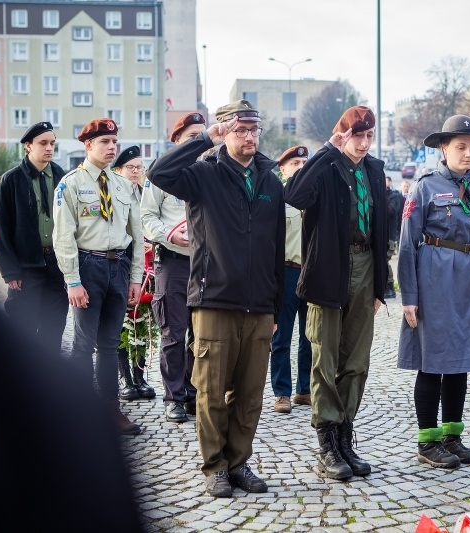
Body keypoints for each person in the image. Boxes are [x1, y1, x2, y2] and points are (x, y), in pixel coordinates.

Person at [0, 254, 145, 532]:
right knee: (67, 345)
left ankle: (109, 405)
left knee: (75, 345)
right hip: (48, 269)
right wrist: (15, 270)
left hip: (85, 268)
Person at [148, 99, 285, 498]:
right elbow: (160, 172)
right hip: (214, 300)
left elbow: (275, 247)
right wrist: (205, 138)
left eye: (253, 129)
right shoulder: (202, 174)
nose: (249, 137)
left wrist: (274, 305)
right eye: (240, 129)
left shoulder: (270, 181)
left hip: (259, 304)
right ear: (225, 131)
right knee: (210, 392)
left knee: (249, 395)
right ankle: (215, 466)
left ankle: (240, 463)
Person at [284, 105, 388, 481]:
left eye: (369, 136)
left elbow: (381, 228)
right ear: (341, 134)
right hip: (329, 269)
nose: (363, 143)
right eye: (356, 135)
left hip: (365, 266)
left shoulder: (374, 170)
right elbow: (293, 194)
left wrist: (381, 284)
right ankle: (327, 444)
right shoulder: (325, 167)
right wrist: (328, 148)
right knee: (324, 358)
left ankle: (345, 438)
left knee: (356, 360)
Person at [397, 115, 470, 469]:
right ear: (443, 148)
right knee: (433, 361)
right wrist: (409, 295)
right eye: (461, 147)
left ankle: (452, 436)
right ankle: (428, 441)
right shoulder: (424, 187)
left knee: (461, 362)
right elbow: (408, 244)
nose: (468, 154)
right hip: (436, 280)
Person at [53, 118, 145, 436]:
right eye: (104, 142)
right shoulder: (71, 184)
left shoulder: (123, 185)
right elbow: (63, 235)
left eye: (114, 142)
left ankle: (110, 409)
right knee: (83, 344)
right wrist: (72, 280)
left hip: (118, 267)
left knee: (109, 344)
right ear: (88, 145)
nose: (111, 147)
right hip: (87, 265)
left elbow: (137, 234)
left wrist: (135, 278)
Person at [141, 111, 206, 423]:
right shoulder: (161, 174)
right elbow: (146, 215)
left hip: (206, 265)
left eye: (203, 136)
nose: (200, 142)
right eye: (193, 137)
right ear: (178, 141)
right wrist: (167, 233)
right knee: (173, 334)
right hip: (174, 263)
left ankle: (195, 394)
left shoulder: (210, 170)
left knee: (203, 335)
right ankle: (174, 398)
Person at [0, 121, 69, 356]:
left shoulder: (62, 177)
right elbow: (1, 228)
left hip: (57, 267)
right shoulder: (11, 180)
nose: (49, 148)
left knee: (53, 328)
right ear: (28, 146)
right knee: (23, 329)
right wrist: (10, 271)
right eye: (43, 143)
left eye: (52, 143)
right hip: (26, 268)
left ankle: (47, 384)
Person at [112, 145, 157, 402]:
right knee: (120, 324)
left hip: (146, 265)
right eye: (131, 168)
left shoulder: (144, 193)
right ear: (119, 170)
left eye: (140, 168)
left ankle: (140, 377)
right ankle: (125, 379)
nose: (136, 172)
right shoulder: (113, 192)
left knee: (141, 323)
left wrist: (151, 241)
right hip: (120, 264)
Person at [270, 145, 312, 414]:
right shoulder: (277, 199)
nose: (300, 166)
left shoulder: (314, 196)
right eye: (295, 162)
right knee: (281, 336)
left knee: (310, 336)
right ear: (283, 169)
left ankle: (305, 389)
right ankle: (282, 392)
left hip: (312, 272)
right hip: (285, 272)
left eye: (304, 161)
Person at [385, 174, 403, 299]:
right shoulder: (382, 196)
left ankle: (390, 287)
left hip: (390, 235)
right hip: (382, 234)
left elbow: (391, 211)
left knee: (384, 261)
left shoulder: (394, 196)